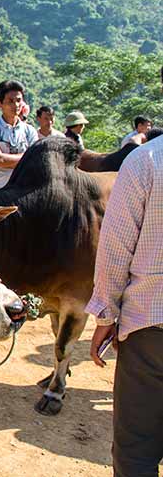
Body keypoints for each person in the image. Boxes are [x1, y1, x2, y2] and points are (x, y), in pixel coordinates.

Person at [86, 134, 163, 477]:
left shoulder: (146, 161)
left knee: (136, 453)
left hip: (150, 331)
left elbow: (115, 250)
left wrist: (106, 314)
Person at [0, 80, 39, 192]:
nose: (16, 105)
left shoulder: (30, 131)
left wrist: (9, 161)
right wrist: (27, 157)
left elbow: (35, 161)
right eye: (10, 101)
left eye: (19, 100)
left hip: (21, 192)